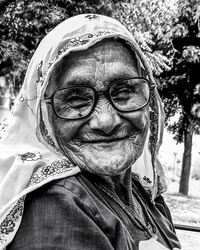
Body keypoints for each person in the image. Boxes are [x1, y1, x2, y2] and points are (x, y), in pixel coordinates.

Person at [0, 14, 181, 250]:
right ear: (44, 115)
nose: (106, 121)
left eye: (124, 91)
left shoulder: (140, 189)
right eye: (76, 99)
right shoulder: (55, 205)